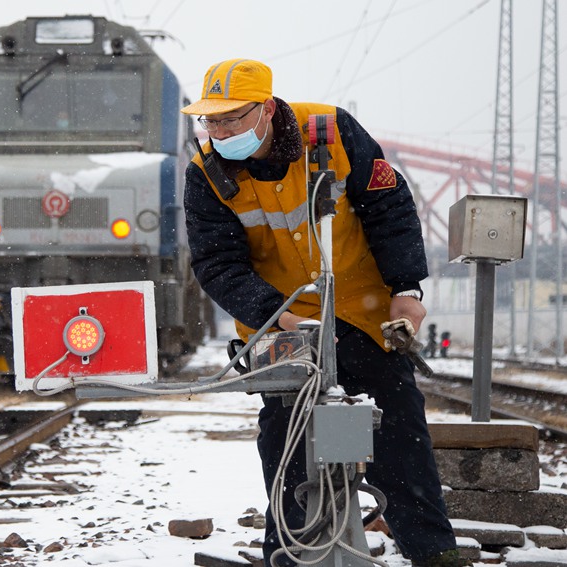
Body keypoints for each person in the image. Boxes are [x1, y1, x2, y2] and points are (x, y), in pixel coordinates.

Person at [180, 59, 469, 567]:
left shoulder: (330, 133)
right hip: (278, 320)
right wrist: (276, 314)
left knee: (397, 424)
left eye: (232, 118)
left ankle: (432, 551)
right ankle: (292, 553)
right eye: (211, 120)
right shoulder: (207, 173)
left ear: (266, 110)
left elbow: (389, 205)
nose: (220, 132)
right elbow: (216, 263)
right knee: (285, 435)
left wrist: (406, 289)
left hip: (361, 308)